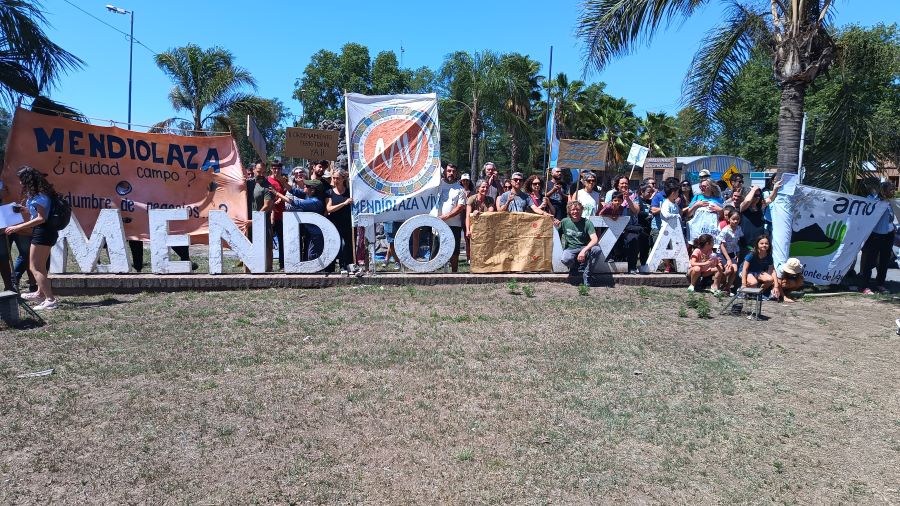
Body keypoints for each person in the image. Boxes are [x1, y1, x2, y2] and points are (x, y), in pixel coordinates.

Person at [3, 166, 60, 310]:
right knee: (39, 266)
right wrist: (25, 210)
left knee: (35, 267)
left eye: (22, 180)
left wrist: (18, 227)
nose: (21, 183)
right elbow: (39, 212)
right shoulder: (41, 194)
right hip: (45, 232)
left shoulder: (40, 196)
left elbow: (41, 218)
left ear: (28, 180)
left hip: (43, 232)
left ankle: (50, 300)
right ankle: (40, 293)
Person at [271, 179, 327, 262]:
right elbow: (293, 190)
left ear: (312, 190)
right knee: (310, 256)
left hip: (316, 234)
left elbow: (291, 202)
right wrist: (281, 179)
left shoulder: (314, 202)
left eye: (307, 186)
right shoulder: (309, 195)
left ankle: (317, 273)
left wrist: (276, 193)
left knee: (312, 256)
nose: (304, 185)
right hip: (311, 233)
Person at [859, 181, 896, 294]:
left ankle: (880, 284)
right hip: (875, 235)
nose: (893, 192)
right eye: (890, 189)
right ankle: (865, 286)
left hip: (889, 235)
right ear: (883, 190)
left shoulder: (891, 202)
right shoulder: (873, 200)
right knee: (870, 260)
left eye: (893, 189)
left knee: (884, 260)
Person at [432, 163, 467, 272]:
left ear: (456, 173)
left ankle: (454, 273)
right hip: (437, 223)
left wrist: (445, 217)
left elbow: (460, 207)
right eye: (449, 171)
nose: (451, 173)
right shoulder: (436, 185)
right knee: (436, 248)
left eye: (453, 171)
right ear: (444, 172)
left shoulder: (460, 189)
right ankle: (431, 273)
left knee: (454, 251)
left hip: (454, 225)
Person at [558, 201, 602, 286]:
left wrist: (583, 251)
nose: (575, 212)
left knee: (597, 249)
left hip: (584, 247)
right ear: (569, 211)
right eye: (573, 210)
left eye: (578, 209)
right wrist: (556, 225)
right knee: (565, 259)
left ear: (581, 210)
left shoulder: (587, 222)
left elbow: (595, 239)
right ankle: (574, 266)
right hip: (571, 248)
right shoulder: (564, 221)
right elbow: (556, 233)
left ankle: (587, 274)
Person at [600, 191, 641, 274]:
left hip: (617, 228)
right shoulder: (608, 207)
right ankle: (609, 257)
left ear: (622, 201)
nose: (617, 202)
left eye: (619, 200)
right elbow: (600, 214)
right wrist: (610, 217)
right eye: (615, 200)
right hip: (606, 226)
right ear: (612, 201)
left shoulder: (622, 208)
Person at [325, 169, 354, 274]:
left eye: (338, 178)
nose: (335, 180)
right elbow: (329, 209)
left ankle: (346, 266)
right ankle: (330, 268)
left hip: (347, 223)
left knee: (347, 245)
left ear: (343, 179)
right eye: (334, 178)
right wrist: (344, 204)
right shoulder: (329, 192)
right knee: (334, 245)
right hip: (334, 223)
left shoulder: (350, 192)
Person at [246, 161, 274, 270]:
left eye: (263, 172)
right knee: (248, 247)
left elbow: (267, 206)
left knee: (267, 247)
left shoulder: (268, 187)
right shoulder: (247, 184)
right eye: (258, 171)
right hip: (247, 222)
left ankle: (269, 270)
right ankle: (246, 273)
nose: (261, 174)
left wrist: (254, 221)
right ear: (253, 170)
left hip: (263, 222)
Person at [267, 161, 287, 271]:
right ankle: (268, 265)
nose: (276, 170)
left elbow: (286, 193)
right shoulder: (267, 180)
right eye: (274, 168)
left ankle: (282, 264)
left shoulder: (283, 180)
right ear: (271, 169)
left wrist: (280, 198)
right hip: (270, 216)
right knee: (268, 241)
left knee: (282, 241)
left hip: (281, 216)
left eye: (278, 169)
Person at [717, 211, 743, 293]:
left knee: (735, 270)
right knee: (728, 270)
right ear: (729, 219)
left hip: (732, 253)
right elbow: (722, 245)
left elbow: (738, 242)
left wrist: (738, 254)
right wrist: (728, 259)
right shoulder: (725, 230)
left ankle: (727, 288)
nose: (735, 221)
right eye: (733, 219)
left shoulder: (739, 228)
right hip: (723, 253)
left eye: (737, 219)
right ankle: (718, 281)